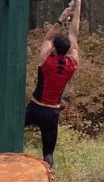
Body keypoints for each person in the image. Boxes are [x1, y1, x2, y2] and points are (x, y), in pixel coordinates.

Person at [24, 0, 82, 167]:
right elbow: (74, 36)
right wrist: (77, 8)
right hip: (52, 114)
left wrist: (61, 19)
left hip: (35, 108)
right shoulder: (72, 65)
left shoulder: (45, 61)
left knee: (12, 130)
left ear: (54, 49)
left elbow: (48, 37)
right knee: (48, 153)